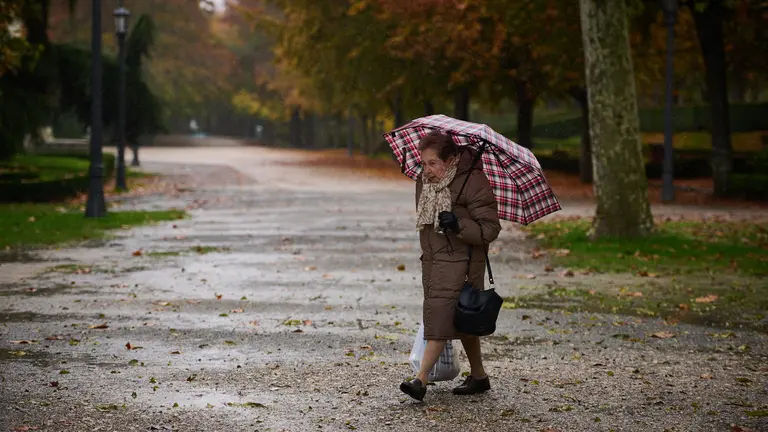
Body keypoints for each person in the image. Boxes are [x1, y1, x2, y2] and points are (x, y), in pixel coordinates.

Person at [400, 131, 502, 401]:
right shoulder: (425, 182)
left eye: (433, 163)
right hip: (434, 261)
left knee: (441, 318)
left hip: (463, 264)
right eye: (423, 163)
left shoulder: (474, 181)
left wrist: (459, 225)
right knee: (462, 321)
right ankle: (479, 377)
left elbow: (490, 229)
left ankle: (419, 380)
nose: (427, 169)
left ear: (452, 158)